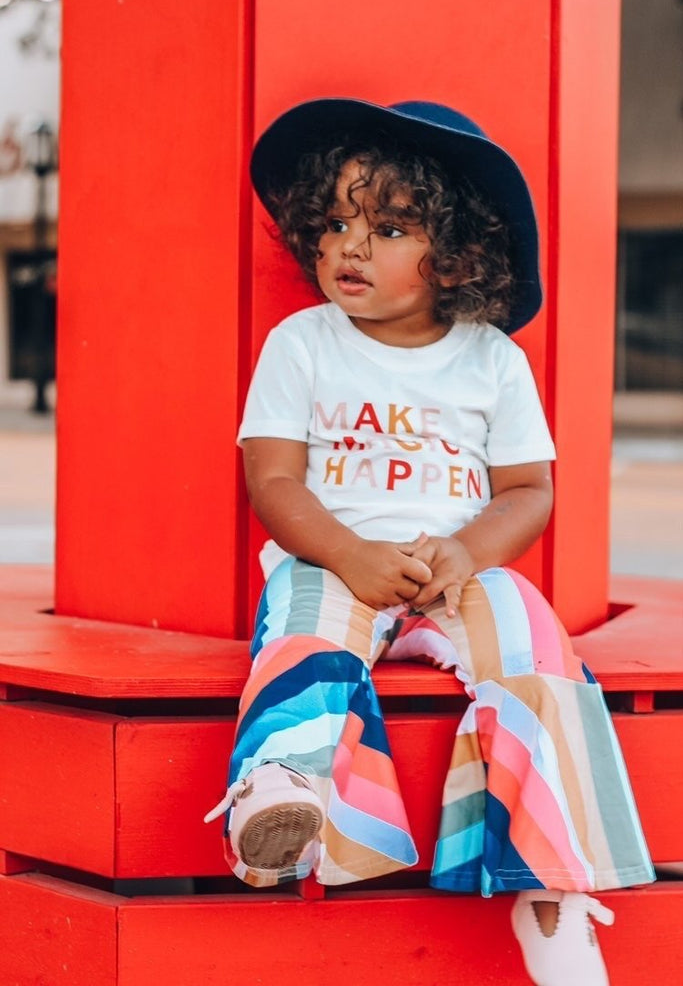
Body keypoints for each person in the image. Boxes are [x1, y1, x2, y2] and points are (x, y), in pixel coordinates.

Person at [205, 99, 654, 986]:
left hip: (454, 569)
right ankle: (283, 790)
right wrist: (346, 553)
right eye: (335, 222)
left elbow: (527, 491)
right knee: (305, 633)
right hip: (335, 559)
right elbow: (274, 481)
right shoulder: (303, 345)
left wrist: (469, 552)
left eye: (389, 227)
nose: (349, 247)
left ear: (455, 255)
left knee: (532, 647)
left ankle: (552, 893)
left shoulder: (492, 360)